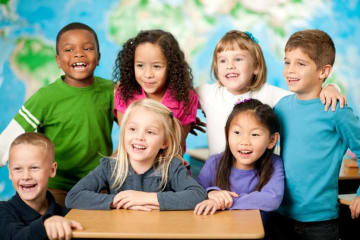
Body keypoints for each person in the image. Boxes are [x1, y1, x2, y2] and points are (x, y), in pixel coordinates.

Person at [0, 22, 114, 205]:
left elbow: (134, 123)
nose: (78, 53)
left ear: (98, 57)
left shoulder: (111, 91)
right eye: (69, 50)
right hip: (57, 185)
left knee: (99, 226)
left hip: (97, 184)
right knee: (58, 224)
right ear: (58, 61)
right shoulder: (46, 97)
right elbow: (10, 137)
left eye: (87, 48)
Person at [270, 29, 360, 240]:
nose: (290, 70)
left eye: (301, 64)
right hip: (280, 215)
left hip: (320, 223)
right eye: (287, 62)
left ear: (323, 72)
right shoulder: (281, 108)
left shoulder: (337, 110)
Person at [196, 30, 346, 156]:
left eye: (238, 59)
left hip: (258, 179)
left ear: (255, 66)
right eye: (222, 61)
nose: (230, 66)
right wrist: (187, 119)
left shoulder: (268, 93)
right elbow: (176, 96)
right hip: (218, 177)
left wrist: (331, 87)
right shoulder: (208, 93)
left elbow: (305, 96)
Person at [65, 98, 207, 211]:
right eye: (132, 129)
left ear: (164, 142)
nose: (139, 137)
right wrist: (118, 201)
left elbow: (198, 196)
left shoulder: (172, 167)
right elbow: (73, 197)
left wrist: (145, 198)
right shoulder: (110, 166)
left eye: (150, 132)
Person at [194, 99, 284, 221]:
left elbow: (271, 200)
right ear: (227, 134)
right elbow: (195, 193)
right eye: (237, 132)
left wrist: (224, 202)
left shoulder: (274, 164)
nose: (244, 142)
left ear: (272, 140)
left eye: (255, 134)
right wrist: (211, 193)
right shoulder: (214, 162)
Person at [113, 29, 198, 151]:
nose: (148, 74)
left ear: (171, 67)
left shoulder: (186, 98)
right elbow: (127, 141)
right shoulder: (125, 94)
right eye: (140, 65)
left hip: (169, 166)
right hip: (132, 165)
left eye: (157, 66)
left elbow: (175, 146)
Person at [0, 132, 83, 240]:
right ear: (10, 173)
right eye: (18, 169)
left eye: (34, 168)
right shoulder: (3, 211)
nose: (26, 176)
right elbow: (15, 237)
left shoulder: (67, 216)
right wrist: (45, 225)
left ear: (52, 170)